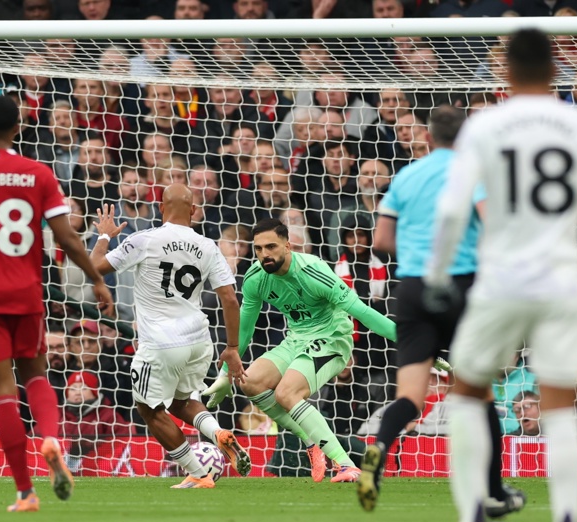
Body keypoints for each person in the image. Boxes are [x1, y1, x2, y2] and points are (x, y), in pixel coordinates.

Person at [423, 29, 577, 522]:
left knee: (468, 391)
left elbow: (453, 210)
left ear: (506, 71)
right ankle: (566, 515)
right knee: (561, 403)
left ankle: (474, 509)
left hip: (500, 278)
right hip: (562, 280)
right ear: (556, 69)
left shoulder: (486, 125)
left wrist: (437, 276)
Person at [0, 96, 113, 512]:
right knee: (35, 375)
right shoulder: (37, 173)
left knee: (2, 393)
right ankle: (50, 436)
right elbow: (66, 238)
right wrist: (97, 279)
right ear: (19, 128)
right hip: (26, 294)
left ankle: (25, 493)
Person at [358, 106, 525, 516]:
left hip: (413, 288)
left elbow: (380, 240)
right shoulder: (474, 172)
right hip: (461, 284)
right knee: (480, 393)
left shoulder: (406, 176)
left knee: (411, 396)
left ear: (429, 137)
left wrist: (417, 253)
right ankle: (494, 491)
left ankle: (379, 448)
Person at [204, 218, 397, 483]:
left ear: (288, 245)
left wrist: (413, 345)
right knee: (251, 382)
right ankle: (311, 440)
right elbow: (244, 332)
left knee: (287, 392)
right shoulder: (255, 278)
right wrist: (225, 374)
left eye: (271, 246)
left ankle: (346, 464)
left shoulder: (314, 271)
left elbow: (363, 312)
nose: (264, 254)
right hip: (296, 340)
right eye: (258, 249)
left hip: (332, 338)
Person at [90, 184, 251, 489]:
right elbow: (230, 299)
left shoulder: (145, 240)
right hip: (199, 342)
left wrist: (104, 236)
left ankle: (199, 473)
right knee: (180, 402)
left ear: (161, 208)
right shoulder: (208, 246)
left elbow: (95, 267)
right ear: (193, 211)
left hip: (161, 344)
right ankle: (217, 433)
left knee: (150, 410)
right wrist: (231, 348)